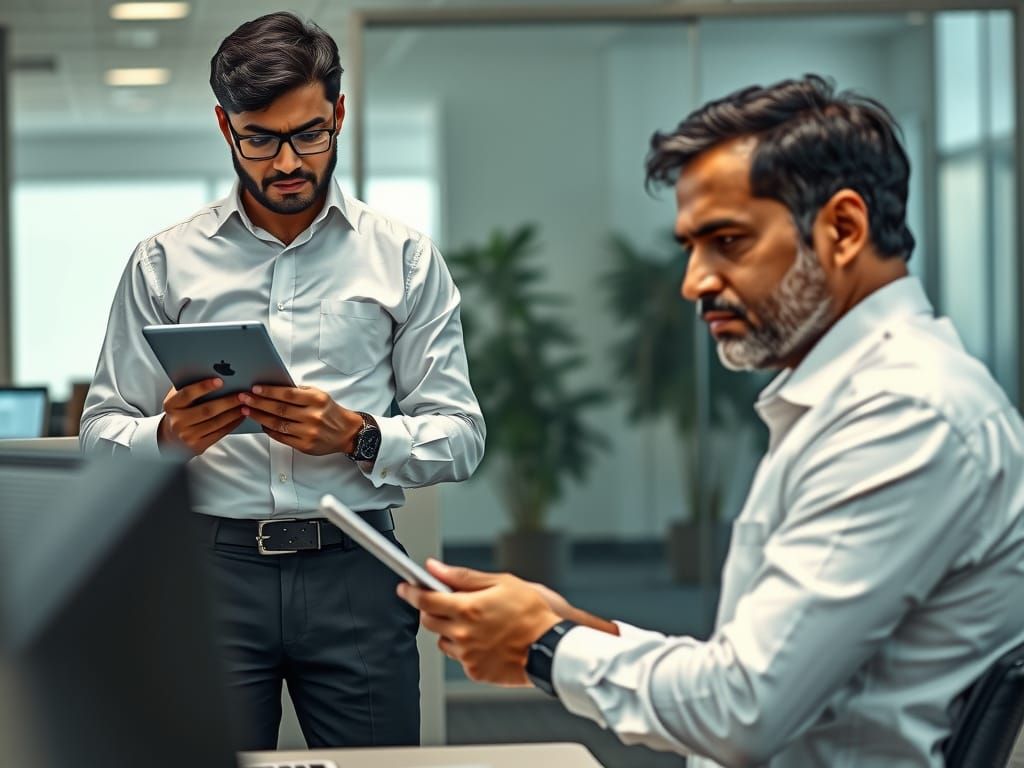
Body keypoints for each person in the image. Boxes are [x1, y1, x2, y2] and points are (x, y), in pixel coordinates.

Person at [399, 75, 1024, 767]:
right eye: (691, 247)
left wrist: (541, 647)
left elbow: (742, 710)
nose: (694, 281)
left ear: (843, 229)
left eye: (728, 241)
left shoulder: (902, 413)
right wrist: (566, 624)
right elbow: (750, 668)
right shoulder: (860, 399)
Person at [80, 11, 485, 751]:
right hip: (209, 572)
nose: (287, 162)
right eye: (260, 140)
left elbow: (462, 436)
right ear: (225, 127)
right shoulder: (164, 262)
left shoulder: (402, 257)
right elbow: (101, 432)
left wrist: (359, 435)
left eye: (309, 134)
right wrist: (167, 439)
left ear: (339, 114)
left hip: (357, 568)